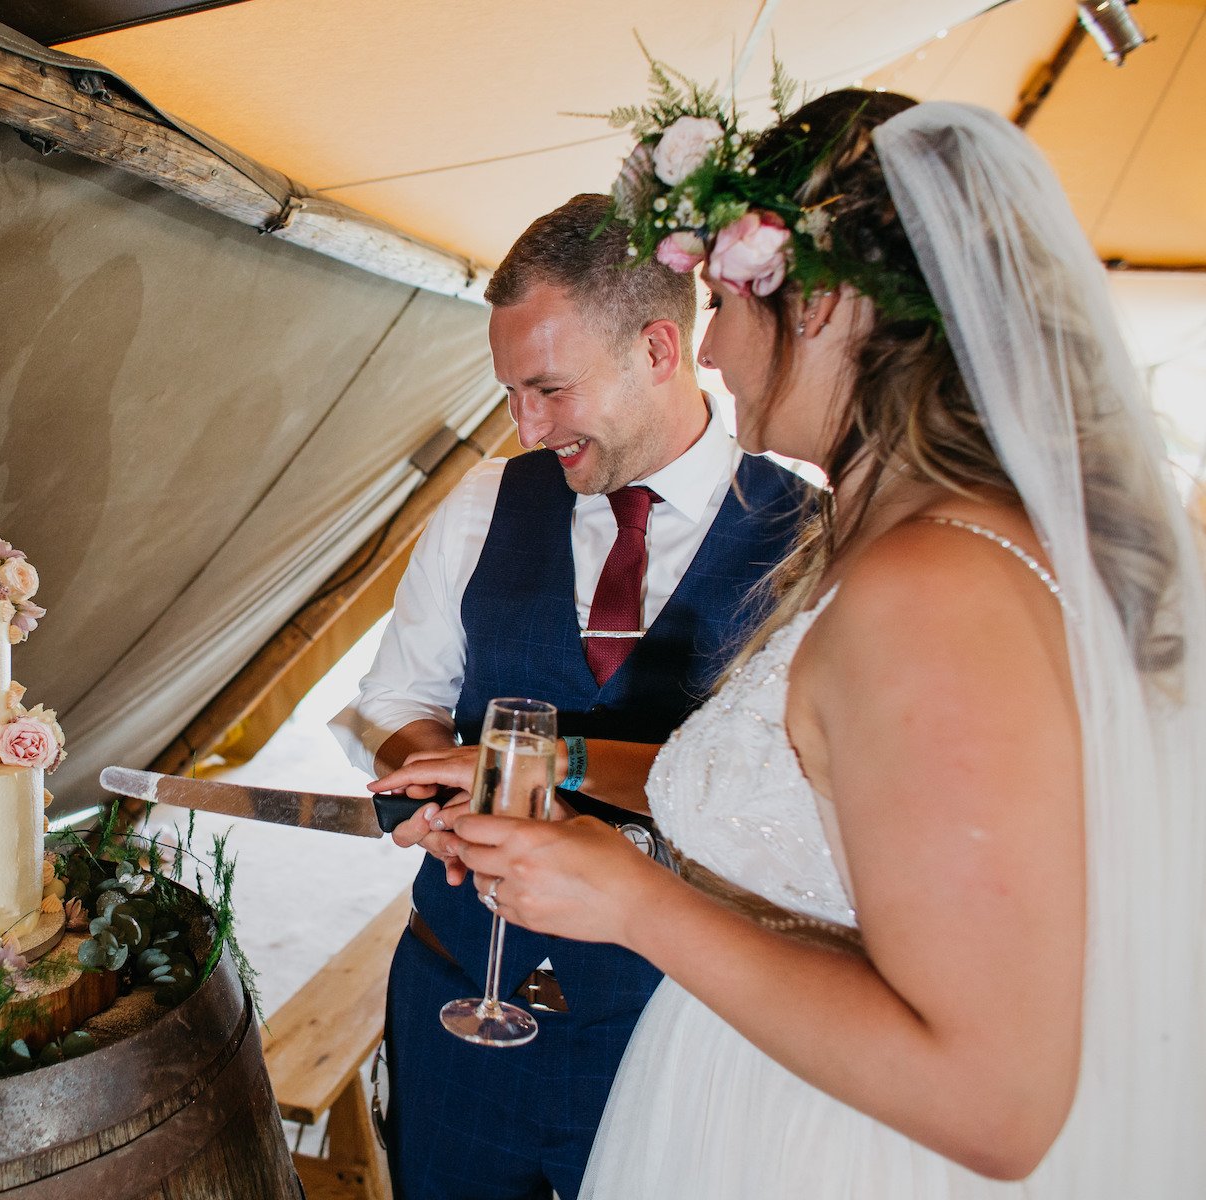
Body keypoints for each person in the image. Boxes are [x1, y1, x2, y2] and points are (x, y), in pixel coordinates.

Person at [415, 87, 1206, 1197]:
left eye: (732, 308)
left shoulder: (931, 590)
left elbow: (995, 1100)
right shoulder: (942, 544)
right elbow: (832, 804)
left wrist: (635, 902)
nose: (720, 352)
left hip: (825, 1148)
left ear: (824, 305)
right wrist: (573, 768)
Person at [331, 195, 809, 1199]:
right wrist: (432, 779)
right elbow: (391, 701)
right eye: (509, 392)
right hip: (461, 999)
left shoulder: (812, 538)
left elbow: (812, 797)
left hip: (677, 1027)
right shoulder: (480, 505)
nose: (525, 425)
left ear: (658, 348)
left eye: (548, 388)